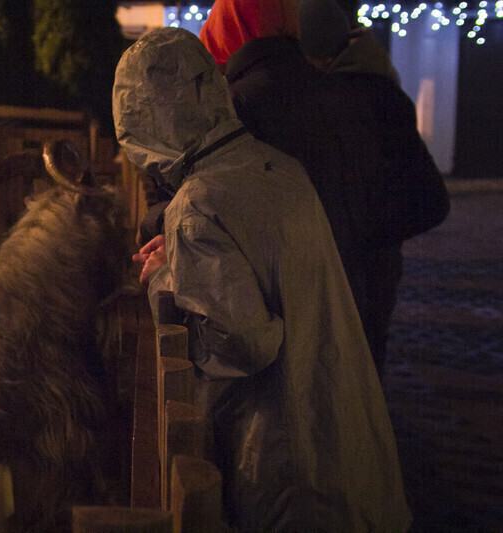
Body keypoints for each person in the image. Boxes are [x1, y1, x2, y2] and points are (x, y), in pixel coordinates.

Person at [114, 26, 410, 531]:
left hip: (286, 461)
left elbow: (245, 344)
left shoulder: (197, 205)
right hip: (343, 432)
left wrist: (168, 278)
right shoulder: (278, 167)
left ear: (145, 120)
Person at [199, 0, 450, 376]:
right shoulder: (356, 92)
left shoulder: (360, 99)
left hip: (347, 267)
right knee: (359, 373)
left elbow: (427, 198)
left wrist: (364, 224)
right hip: (362, 267)